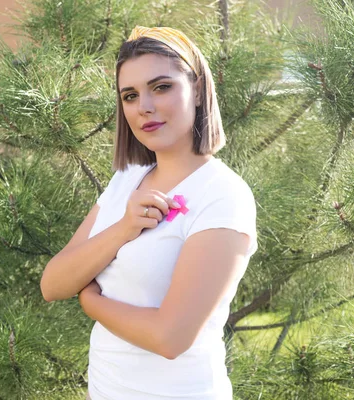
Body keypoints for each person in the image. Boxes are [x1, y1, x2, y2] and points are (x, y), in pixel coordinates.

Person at [40, 25, 258, 399]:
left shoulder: (223, 195)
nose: (144, 107)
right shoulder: (126, 180)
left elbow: (170, 337)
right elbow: (53, 283)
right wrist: (124, 228)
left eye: (161, 87)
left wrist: (92, 301)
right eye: (129, 95)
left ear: (199, 90)